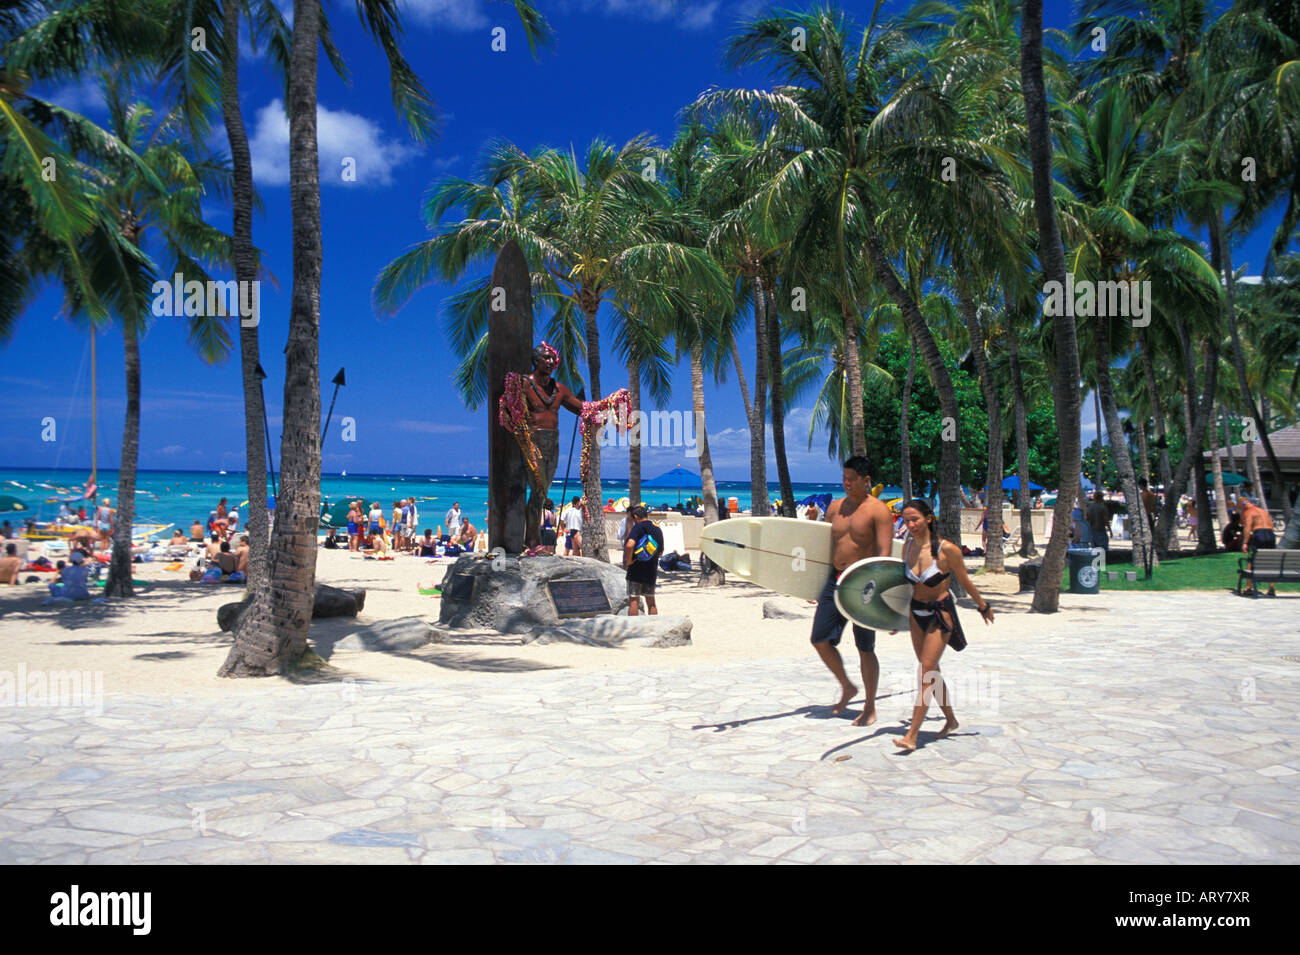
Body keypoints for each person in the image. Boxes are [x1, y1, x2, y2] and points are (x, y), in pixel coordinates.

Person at [893, 499, 994, 751]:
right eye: (906, 520)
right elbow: (903, 586)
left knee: (926, 672)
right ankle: (950, 720)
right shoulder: (907, 547)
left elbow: (966, 582)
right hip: (916, 614)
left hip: (940, 615)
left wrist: (983, 605)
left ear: (928, 517)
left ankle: (911, 736)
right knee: (932, 672)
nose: (910, 524)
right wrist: (892, 616)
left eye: (915, 519)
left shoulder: (947, 550)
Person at [811, 456, 894, 727]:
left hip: (864, 585)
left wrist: (881, 599)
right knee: (819, 639)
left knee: (865, 648)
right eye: (844, 478)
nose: (846, 483)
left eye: (851, 479)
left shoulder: (878, 511)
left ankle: (869, 707)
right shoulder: (835, 508)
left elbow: (884, 555)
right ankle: (847, 686)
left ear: (866, 480)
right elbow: (826, 549)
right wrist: (815, 584)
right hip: (834, 580)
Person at [517, 343, 585, 549]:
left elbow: (582, 409)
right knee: (538, 492)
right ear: (535, 361)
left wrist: (609, 405)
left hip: (552, 444)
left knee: (542, 493)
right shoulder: (523, 384)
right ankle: (532, 541)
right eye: (546, 358)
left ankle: (530, 540)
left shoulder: (559, 389)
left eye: (552, 358)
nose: (550, 362)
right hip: (532, 443)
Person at [623, 504, 664, 616]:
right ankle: (653, 626)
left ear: (636, 516)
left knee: (634, 600)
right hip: (651, 570)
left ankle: (634, 627)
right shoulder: (657, 530)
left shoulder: (638, 528)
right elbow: (660, 552)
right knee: (651, 601)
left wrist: (629, 560)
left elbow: (630, 545)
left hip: (636, 569)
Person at [1085, 491, 1110, 556]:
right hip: (1100, 529)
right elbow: (1105, 519)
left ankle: (1096, 561)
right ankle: (1104, 561)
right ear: (1100, 497)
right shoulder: (1103, 507)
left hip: (1092, 529)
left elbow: (1087, 519)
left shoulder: (1089, 507)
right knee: (1103, 548)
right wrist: (1109, 529)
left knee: (1094, 547)